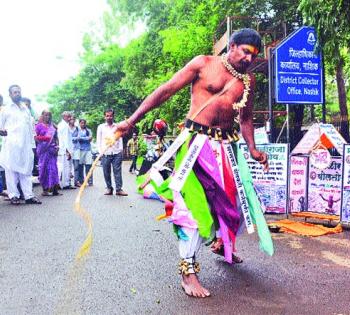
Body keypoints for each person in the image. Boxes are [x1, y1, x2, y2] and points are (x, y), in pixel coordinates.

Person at [115, 28, 273, 298]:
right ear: (231, 46)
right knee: (192, 209)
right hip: (196, 147)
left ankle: (224, 246)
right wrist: (131, 120)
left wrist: (253, 148)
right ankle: (188, 273)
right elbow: (166, 90)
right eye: (246, 51)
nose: (249, 58)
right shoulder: (204, 64)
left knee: (232, 204)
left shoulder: (248, 82)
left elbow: (245, 119)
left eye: (254, 55)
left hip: (227, 149)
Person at [0, 85, 42, 205]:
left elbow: (31, 129)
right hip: (11, 146)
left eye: (19, 92)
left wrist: (32, 146)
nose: (17, 94)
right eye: (14, 92)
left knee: (27, 171)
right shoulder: (6, 109)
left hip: (26, 146)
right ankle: (14, 196)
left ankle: (28, 196)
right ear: (10, 95)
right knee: (11, 171)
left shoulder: (25, 109)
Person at [97, 109, 128, 196]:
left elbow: (120, 139)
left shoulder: (117, 126)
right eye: (107, 116)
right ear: (104, 117)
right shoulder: (101, 127)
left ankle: (119, 189)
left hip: (116, 153)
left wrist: (120, 150)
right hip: (105, 153)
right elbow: (98, 141)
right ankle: (109, 188)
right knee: (106, 172)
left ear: (113, 116)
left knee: (117, 171)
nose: (109, 117)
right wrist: (100, 152)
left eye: (110, 115)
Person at [35, 110, 61, 196]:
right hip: (43, 150)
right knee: (43, 169)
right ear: (42, 115)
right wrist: (45, 138)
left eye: (49, 115)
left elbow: (56, 137)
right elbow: (35, 138)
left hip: (52, 150)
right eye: (46, 115)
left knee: (53, 168)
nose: (47, 117)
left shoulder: (52, 126)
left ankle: (54, 189)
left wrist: (57, 146)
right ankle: (45, 189)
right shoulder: (38, 126)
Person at [57, 111, 75, 189]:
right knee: (64, 168)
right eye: (68, 117)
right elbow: (63, 139)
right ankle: (65, 184)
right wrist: (67, 151)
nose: (70, 118)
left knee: (66, 167)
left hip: (65, 150)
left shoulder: (64, 125)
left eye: (70, 117)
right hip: (64, 150)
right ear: (64, 117)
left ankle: (65, 184)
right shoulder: (63, 125)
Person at [77, 119, 93, 186]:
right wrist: (86, 138)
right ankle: (81, 181)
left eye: (84, 123)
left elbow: (90, 138)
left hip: (88, 150)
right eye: (81, 123)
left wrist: (82, 138)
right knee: (80, 166)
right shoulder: (77, 130)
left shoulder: (88, 130)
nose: (83, 124)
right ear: (79, 123)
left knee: (88, 166)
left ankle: (90, 181)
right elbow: (77, 138)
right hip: (80, 150)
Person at [69, 116, 80, 186]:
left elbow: (78, 137)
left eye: (74, 119)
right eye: (71, 119)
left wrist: (71, 138)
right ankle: (68, 182)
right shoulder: (66, 127)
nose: (72, 120)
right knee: (69, 166)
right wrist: (74, 138)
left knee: (76, 166)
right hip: (69, 149)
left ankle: (76, 181)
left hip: (76, 148)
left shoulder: (77, 128)